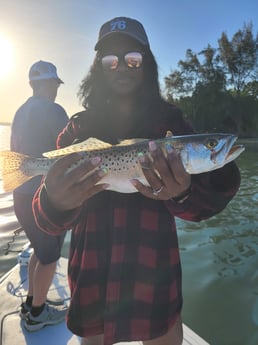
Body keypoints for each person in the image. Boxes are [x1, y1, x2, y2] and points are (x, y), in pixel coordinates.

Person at [32, 18, 241, 345]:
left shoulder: (173, 123)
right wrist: (55, 201)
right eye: (110, 61)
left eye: (133, 59)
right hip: (91, 274)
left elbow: (214, 197)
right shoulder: (78, 128)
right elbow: (47, 221)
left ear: (147, 64)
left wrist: (184, 194)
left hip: (154, 275)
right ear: (98, 68)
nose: (121, 68)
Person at [11, 60, 69, 332]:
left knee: (39, 248)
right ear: (48, 84)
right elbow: (71, 148)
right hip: (43, 196)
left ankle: (34, 302)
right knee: (49, 255)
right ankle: (36, 315)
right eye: (55, 84)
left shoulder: (21, 111)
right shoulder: (55, 111)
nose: (56, 90)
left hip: (20, 196)